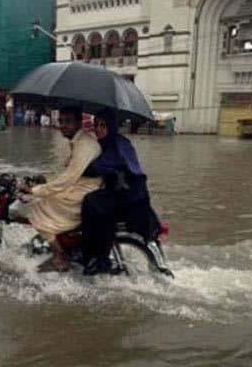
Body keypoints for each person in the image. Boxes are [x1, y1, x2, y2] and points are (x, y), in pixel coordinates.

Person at [16, 106, 102, 272]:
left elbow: (68, 179)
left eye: (68, 121)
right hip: (78, 189)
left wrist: (35, 190)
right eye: (60, 121)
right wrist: (44, 181)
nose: (62, 125)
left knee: (32, 207)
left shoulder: (85, 145)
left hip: (79, 196)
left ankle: (59, 255)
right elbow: (69, 174)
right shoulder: (79, 141)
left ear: (79, 122)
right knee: (41, 199)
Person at [81, 109, 161, 275]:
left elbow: (94, 168)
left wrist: (76, 165)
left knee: (90, 202)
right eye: (96, 125)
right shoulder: (119, 142)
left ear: (112, 127)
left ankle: (95, 258)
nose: (98, 129)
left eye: (103, 125)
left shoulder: (114, 147)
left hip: (129, 198)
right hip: (132, 196)